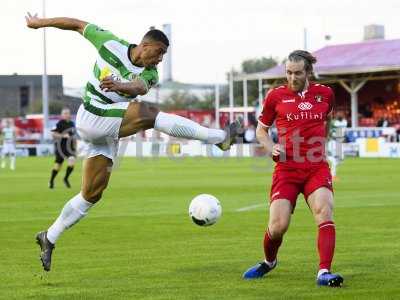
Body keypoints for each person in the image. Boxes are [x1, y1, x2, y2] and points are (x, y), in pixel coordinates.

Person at [26, 13, 241, 272]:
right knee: (149, 115)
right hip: (91, 116)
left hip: (107, 129)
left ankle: (49, 236)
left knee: (91, 194)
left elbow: (138, 87)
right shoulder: (109, 43)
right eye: (159, 52)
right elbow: (76, 24)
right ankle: (220, 139)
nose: (160, 59)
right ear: (145, 45)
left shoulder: (150, 73)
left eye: (163, 56)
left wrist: (120, 86)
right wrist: (40, 23)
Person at [242, 50, 343, 287]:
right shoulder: (275, 96)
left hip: (316, 167)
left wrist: (321, 145)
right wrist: (271, 147)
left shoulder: (325, 94)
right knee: (278, 227)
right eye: (288, 72)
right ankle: (269, 261)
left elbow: (326, 120)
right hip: (287, 169)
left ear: (308, 72)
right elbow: (261, 131)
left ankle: (324, 272)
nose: (292, 77)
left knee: (324, 211)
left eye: (297, 73)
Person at [49, 108, 77, 189]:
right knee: (58, 166)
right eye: (64, 113)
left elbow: (73, 136)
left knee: (72, 162)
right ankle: (51, 180)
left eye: (67, 113)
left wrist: (75, 147)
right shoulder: (59, 124)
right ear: (62, 115)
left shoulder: (72, 124)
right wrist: (63, 136)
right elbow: (53, 134)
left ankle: (66, 178)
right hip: (60, 148)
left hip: (70, 148)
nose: (66, 114)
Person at [327, 112, 347, 180]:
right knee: (334, 160)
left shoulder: (344, 122)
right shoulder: (333, 123)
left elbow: (343, 132)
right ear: (336, 116)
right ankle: (333, 176)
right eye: (338, 115)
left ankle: (328, 162)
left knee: (341, 158)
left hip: (339, 143)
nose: (340, 115)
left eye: (341, 114)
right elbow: (328, 129)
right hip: (333, 142)